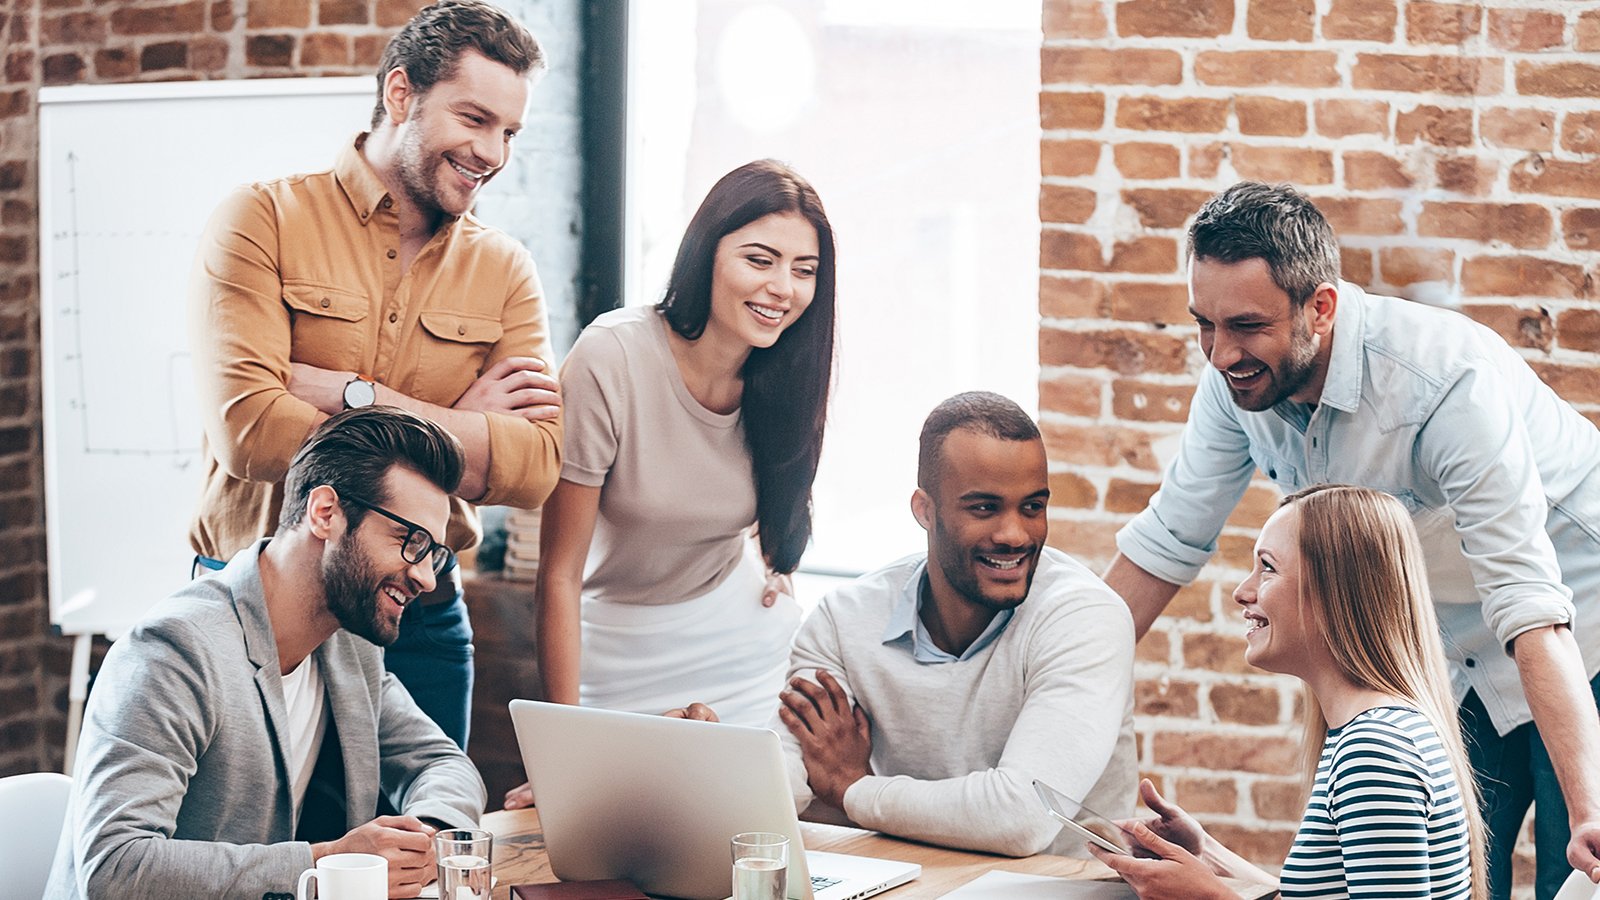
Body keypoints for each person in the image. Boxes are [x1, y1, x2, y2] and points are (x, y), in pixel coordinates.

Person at [1103, 182, 1600, 898]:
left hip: (1575, 644)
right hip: (1450, 658)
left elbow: (1527, 602)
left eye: (1245, 325)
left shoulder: (1444, 381)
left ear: (1321, 307)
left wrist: (1591, 808)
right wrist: (1059, 684)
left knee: (1574, 874)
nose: (1219, 354)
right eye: (1203, 325)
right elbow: (1168, 538)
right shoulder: (1236, 384)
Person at [187, 0, 562, 750]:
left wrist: (360, 397)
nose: (493, 152)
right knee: (259, 854)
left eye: (510, 132)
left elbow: (535, 468)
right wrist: (461, 423)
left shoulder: (505, 271)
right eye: (475, 119)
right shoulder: (262, 222)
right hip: (259, 603)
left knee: (424, 843)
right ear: (401, 94)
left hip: (417, 614)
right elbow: (251, 431)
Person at [46, 408, 487, 900]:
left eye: (435, 555)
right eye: (411, 542)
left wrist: (418, 839)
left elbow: (444, 764)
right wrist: (326, 865)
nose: (426, 577)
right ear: (326, 513)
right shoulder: (174, 651)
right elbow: (116, 867)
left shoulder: (349, 646)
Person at [774, 392, 1136, 856]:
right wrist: (701, 769)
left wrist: (852, 790)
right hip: (906, 886)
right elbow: (787, 777)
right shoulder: (844, 620)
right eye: (984, 508)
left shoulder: (1085, 619)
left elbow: (1023, 817)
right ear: (925, 510)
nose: (1014, 535)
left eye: (1032, 507)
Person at [1095, 485, 1485, 899]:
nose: (1243, 592)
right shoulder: (1376, 732)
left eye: (1267, 567)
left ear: (1338, 590)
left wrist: (1209, 898)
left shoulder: (1375, 751)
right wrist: (1205, 855)